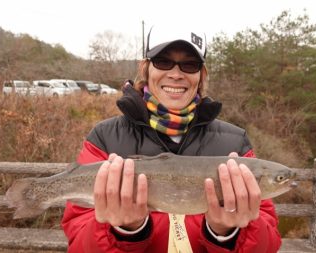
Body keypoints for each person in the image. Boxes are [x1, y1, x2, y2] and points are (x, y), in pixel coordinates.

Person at [62, 25, 281, 253]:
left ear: (201, 75)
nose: (176, 74)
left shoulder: (236, 142)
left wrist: (227, 233)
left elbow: (268, 244)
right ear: (145, 69)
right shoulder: (105, 137)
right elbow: (79, 242)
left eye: (189, 64)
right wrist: (126, 230)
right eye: (163, 61)